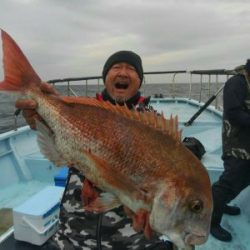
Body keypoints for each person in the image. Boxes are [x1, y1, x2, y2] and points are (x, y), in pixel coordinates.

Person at [16, 51, 173, 250]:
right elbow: (57, 144)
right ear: (105, 77)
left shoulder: (156, 126)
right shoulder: (81, 111)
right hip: (72, 235)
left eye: (131, 69)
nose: (123, 73)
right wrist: (40, 120)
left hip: (132, 242)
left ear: (140, 81)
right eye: (116, 67)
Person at [210, 59, 250, 242]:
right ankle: (211, 221)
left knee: (244, 179)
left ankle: (221, 203)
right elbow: (233, 113)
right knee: (231, 180)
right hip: (237, 143)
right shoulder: (237, 82)